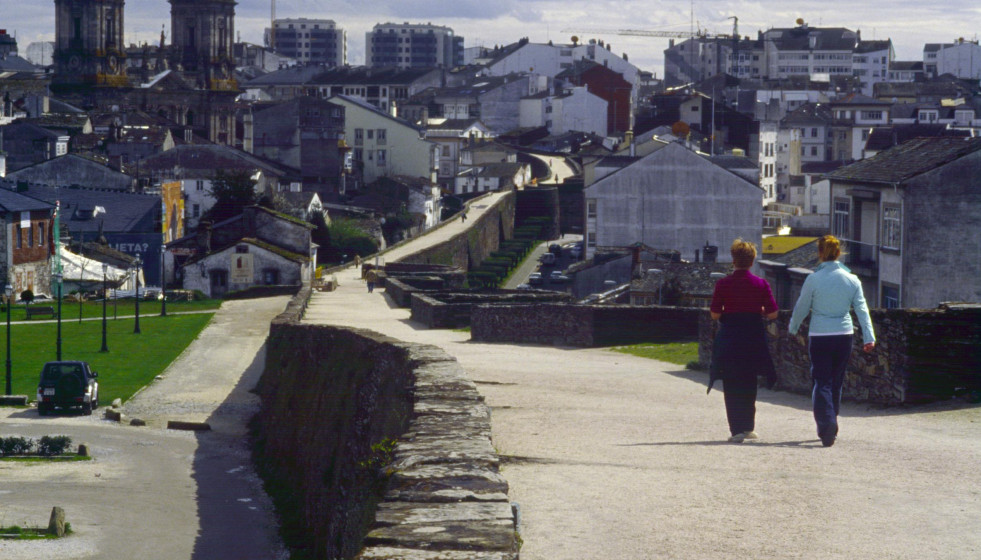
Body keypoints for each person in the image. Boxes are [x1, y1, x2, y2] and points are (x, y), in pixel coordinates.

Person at [789, 235, 875, 447]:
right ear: (839, 253)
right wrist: (869, 336)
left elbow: (802, 306)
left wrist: (793, 327)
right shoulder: (852, 280)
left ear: (820, 253)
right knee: (836, 381)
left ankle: (827, 426)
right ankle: (831, 421)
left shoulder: (814, 279)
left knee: (821, 381)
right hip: (844, 334)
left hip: (820, 334)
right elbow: (862, 310)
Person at [708, 239, 779, 443]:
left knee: (731, 382)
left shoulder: (723, 284)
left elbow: (714, 314)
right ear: (752, 260)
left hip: (730, 336)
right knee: (749, 380)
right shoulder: (761, 284)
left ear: (733, 260)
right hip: (753, 337)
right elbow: (773, 313)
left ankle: (737, 428)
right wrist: (758, 310)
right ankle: (748, 426)